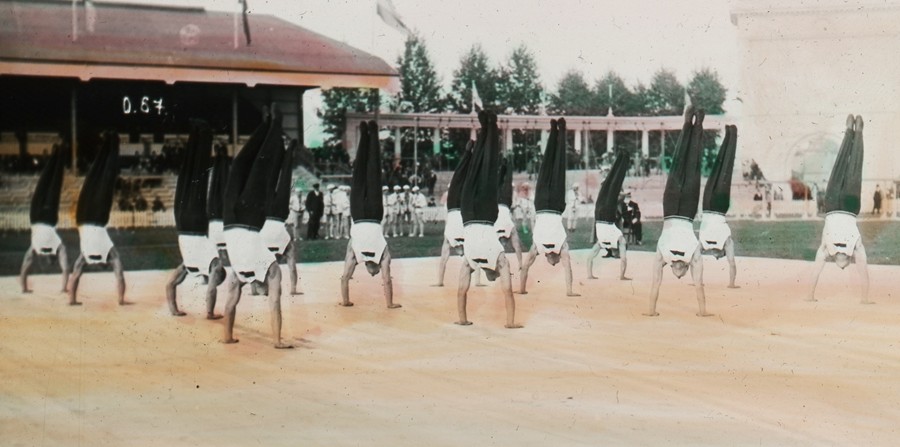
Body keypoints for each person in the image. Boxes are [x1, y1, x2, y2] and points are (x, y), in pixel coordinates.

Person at [221, 106, 292, 348]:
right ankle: (275, 122)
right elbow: (274, 304)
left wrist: (228, 337)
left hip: (235, 218)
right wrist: (277, 341)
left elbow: (231, 305)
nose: (264, 293)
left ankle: (267, 123)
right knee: (254, 166)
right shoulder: (268, 269)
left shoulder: (240, 276)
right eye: (263, 292)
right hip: (239, 219)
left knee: (242, 164)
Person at [456, 110, 521, 328]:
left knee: (487, 170)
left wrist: (511, 322)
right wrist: (462, 319)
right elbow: (461, 292)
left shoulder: (498, 260)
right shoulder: (472, 262)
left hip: (482, 214)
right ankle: (485, 127)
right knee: (476, 170)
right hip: (468, 213)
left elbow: (508, 292)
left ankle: (489, 125)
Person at [646, 107, 711, 317]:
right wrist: (702, 312)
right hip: (688, 211)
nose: (679, 274)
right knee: (693, 166)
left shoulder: (662, 256)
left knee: (678, 164)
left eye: (676, 273)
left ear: (672, 268)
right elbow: (699, 284)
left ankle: (686, 122)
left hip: (671, 208)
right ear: (687, 269)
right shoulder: (693, 256)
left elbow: (655, 283)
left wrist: (651, 311)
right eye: (682, 273)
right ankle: (698, 123)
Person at [164, 120, 226, 319]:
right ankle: (194, 132)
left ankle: (204, 132)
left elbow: (211, 288)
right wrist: (174, 310)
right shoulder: (189, 266)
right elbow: (170, 285)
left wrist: (210, 313)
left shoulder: (215, 263)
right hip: (181, 222)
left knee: (198, 176)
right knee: (185, 176)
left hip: (196, 224)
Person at [808, 115, 870, 304]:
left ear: (849, 259)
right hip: (833, 205)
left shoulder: (853, 248)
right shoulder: (827, 249)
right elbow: (816, 272)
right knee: (840, 167)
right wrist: (810, 295)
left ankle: (857, 131)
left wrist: (865, 299)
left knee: (854, 168)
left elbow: (864, 273)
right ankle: (849, 130)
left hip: (849, 207)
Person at [340, 120, 400, 309]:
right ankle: (365, 132)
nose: (373, 273)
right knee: (359, 173)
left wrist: (390, 303)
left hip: (373, 214)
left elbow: (386, 279)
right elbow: (344, 278)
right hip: (359, 213)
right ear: (368, 266)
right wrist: (345, 301)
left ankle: (371, 131)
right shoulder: (356, 255)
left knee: (372, 172)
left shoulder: (382, 254)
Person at [519, 118, 579, 297]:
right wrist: (569, 291)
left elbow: (525, 267)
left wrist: (522, 289)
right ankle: (559, 129)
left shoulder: (542, 248)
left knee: (550, 166)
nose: (556, 262)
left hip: (546, 205)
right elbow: (567, 268)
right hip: (550, 205)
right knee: (554, 167)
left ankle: (555, 129)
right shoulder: (557, 247)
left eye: (554, 262)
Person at [68, 131, 127, 306]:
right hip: (82, 218)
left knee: (106, 178)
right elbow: (75, 276)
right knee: (92, 179)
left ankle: (112, 140)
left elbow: (119, 274)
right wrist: (72, 299)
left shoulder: (109, 253)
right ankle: (109, 140)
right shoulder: (84, 255)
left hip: (97, 217)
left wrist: (121, 299)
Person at [20, 141, 69, 293]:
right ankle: (57, 154)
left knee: (52, 183)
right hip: (39, 217)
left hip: (44, 217)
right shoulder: (48, 247)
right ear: (51, 258)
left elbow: (65, 269)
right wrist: (24, 288)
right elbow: (25, 267)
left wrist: (24, 288)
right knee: (47, 182)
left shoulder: (55, 246)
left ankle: (58, 153)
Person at [258, 138, 301, 296]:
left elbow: (291, 266)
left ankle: (286, 148)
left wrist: (257, 289)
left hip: (278, 215)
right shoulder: (277, 248)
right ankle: (282, 147)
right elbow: (292, 267)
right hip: (269, 214)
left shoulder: (279, 248)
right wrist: (293, 290)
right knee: (273, 177)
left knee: (283, 178)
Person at [698, 124, 739, 289]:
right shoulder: (726, 242)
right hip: (719, 206)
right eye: (720, 256)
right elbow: (732, 263)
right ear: (723, 252)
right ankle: (732, 133)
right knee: (725, 169)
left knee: (717, 167)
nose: (717, 257)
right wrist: (731, 284)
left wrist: (698, 281)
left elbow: (694, 260)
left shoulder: (704, 245)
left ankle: (728, 134)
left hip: (707, 205)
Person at [433, 140, 474, 287]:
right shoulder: (466, 241)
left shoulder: (449, 240)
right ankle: (471, 154)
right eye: (460, 253)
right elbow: (474, 260)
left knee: (458, 178)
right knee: (466, 179)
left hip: (453, 207)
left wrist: (440, 282)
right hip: (461, 207)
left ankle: (468, 152)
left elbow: (443, 260)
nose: (459, 252)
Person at [587, 149, 631, 281]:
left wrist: (622, 276)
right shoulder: (605, 243)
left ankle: (624, 155)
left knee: (614, 183)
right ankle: (623, 155)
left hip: (605, 214)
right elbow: (590, 258)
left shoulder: (616, 241)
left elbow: (623, 259)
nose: (618, 255)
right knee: (610, 185)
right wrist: (589, 274)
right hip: (600, 213)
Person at [495, 157, 524, 270]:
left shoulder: (499, 232)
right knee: (503, 182)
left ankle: (506, 164)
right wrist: (520, 264)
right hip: (503, 203)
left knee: (504, 181)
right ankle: (507, 163)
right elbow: (517, 247)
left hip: (500, 203)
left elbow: (517, 247)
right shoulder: (509, 229)